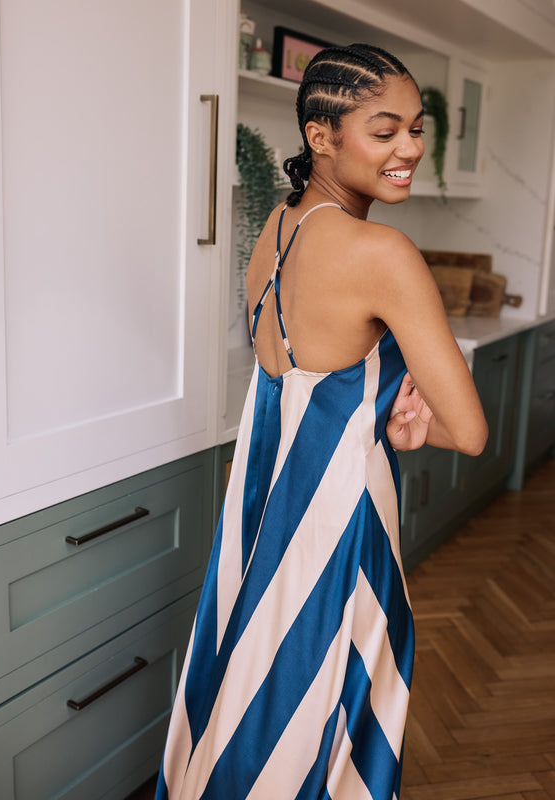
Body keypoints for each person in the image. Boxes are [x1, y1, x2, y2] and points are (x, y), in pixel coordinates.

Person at [155, 43, 487, 800]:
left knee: (250, 699)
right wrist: (401, 417)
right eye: (384, 130)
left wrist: (382, 408)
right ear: (321, 136)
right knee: (327, 731)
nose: (409, 148)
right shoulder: (382, 253)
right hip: (337, 527)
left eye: (416, 127)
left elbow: (304, 384)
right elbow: (468, 432)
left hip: (263, 516)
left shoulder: (276, 231)